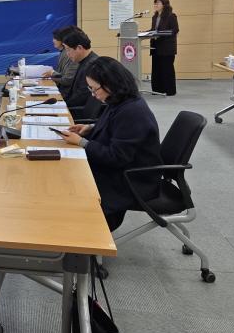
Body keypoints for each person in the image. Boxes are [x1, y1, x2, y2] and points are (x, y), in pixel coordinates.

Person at [56, 57, 163, 231]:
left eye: (94, 89)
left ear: (111, 84)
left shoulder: (132, 112)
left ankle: (89, 232)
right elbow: (114, 126)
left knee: (72, 184)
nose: (93, 94)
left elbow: (116, 157)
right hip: (122, 169)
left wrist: (82, 142)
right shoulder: (121, 101)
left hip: (131, 179)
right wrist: (90, 128)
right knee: (67, 175)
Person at [149, 0, 179, 96]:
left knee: (167, 69)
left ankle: (169, 91)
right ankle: (157, 90)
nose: (155, 5)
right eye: (155, 3)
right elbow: (153, 30)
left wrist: (159, 33)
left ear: (164, 4)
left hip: (167, 48)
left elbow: (174, 30)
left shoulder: (171, 16)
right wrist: (144, 33)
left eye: (157, 3)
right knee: (156, 69)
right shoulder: (155, 17)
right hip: (156, 47)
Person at [62, 29, 99, 109]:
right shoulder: (85, 61)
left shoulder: (91, 65)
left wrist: (62, 104)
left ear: (79, 48)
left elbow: (82, 96)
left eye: (68, 50)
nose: (67, 54)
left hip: (77, 110)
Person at [41, 26, 80, 97]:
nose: (53, 41)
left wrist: (52, 73)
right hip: (62, 90)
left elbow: (66, 78)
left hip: (66, 93)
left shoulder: (68, 54)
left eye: (55, 38)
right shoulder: (62, 53)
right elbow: (62, 74)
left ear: (62, 40)